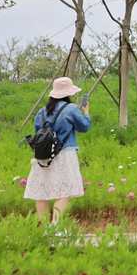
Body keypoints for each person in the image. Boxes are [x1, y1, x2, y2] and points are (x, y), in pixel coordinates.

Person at [24, 77, 91, 226]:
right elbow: (84, 127)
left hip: (43, 156)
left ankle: (44, 227)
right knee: (64, 190)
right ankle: (55, 226)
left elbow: (38, 133)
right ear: (68, 93)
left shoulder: (41, 112)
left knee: (42, 191)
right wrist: (86, 113)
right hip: (64, 154)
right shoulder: (71, 108)